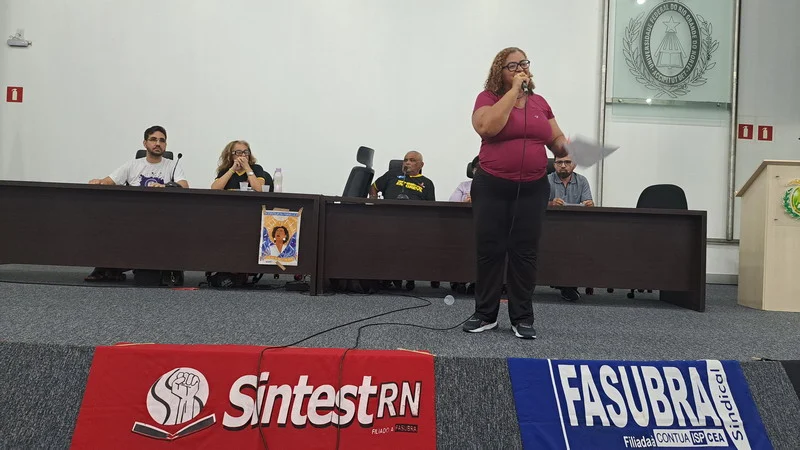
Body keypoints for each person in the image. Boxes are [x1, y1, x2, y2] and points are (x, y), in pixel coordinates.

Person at [464, 47, 569, 339]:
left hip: (533, 188)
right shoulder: (488, 98)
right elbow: (487, 127)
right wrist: (513, 92)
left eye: (523, 63)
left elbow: (555, 137)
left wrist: (566, 147)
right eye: (512, 66)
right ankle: (485, 314)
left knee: (525, 252)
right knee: (490, 250)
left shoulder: (540, 103)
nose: (520, 69)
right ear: (499, 72)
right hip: (492, 186)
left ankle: (522, 317)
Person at [85, 125, 188, 282]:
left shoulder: (172, 165)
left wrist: (166, 186)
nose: (158, 143)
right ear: (145, 143)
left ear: (166, 145)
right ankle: (108, 267)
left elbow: (184, 185)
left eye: (162, 141)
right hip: (133, 218)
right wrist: (99, 182)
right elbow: (109, 181)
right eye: (153, 139)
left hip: (162, 218)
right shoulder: (132, 165)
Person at [547, 153, 594, 302]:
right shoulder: (546, 180)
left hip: (576, 228)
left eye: (567, 162)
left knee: (578, 244)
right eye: (559, 162)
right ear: (554, 164)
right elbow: (536, 203)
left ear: (574, 164)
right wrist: (551, 204)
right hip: (550, 227)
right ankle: (564, 283)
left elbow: (588, 203)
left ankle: (569, 284)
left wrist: (589, 204)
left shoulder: (582, 181)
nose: (563, 165)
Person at [369, 151, 435, 201]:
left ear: (421, 165)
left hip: (414, 214)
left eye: (412, 160)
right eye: (405, 160)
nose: (407, 163)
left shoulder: (427, 183)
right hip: (388, 212)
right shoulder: (392, 174)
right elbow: (374, 187)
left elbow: (431, 206)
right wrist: (374, 203)